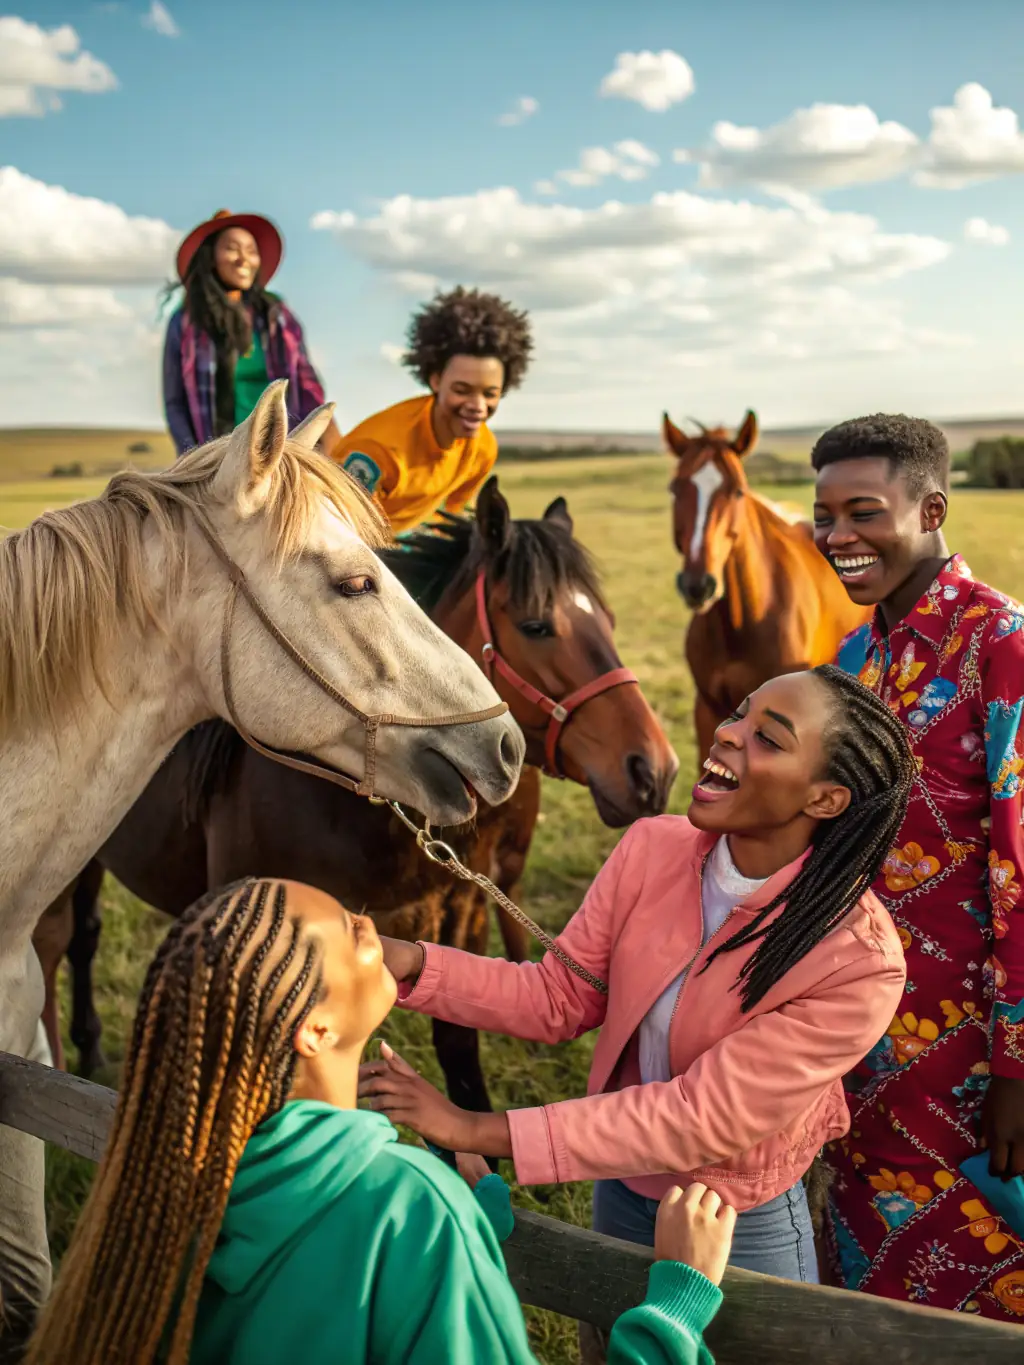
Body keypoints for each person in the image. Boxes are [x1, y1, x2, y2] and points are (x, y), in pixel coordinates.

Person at [25, 878, 733, 1365]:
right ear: (316, 1028)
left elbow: (318, 1285)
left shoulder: (163, 1189)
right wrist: (671, 1311)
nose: (371, 927)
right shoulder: (412, 1211)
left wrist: (468, 1221)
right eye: (351, 931)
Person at [360, 665, 912, 1285]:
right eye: (739, 716)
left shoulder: (858, 963)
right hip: (618, 1180)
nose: (728, 735)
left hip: (733, 1217)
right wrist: (410, 961)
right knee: (614, 1344)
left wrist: (473, 1129)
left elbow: (698, 1117)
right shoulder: (652, 848)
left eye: (769, 738)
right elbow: (558, 995)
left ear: (825, 798)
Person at [811, 414, 1024, 1319]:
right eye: (824, 515)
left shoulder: (1001, 645)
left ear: (932, 507)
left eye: (864, 511)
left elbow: (1022, 865)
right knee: (860, 1272)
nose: (838, 537)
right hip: (855, 1030)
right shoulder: (853, 660)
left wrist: (1019, 1068)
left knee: (983, 1271)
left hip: (974, 1055)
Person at [332, 286, 532, 533]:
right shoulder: (375, 450)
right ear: (435, 380)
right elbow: (344, 530)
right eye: (462, 390)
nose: (478, 407)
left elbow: (454, 516)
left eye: (490, 394)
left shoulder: (483, 449)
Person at [162, 209, 341, 457]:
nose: (243, 258)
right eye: (232, 248)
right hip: (216, 458)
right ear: (210, 257)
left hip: (282, 451)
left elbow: (306, 382)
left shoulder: (277, 317)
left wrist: (322, 434)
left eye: (251, 251)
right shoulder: (185, 324)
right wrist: (193, 459)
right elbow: (175, 403)